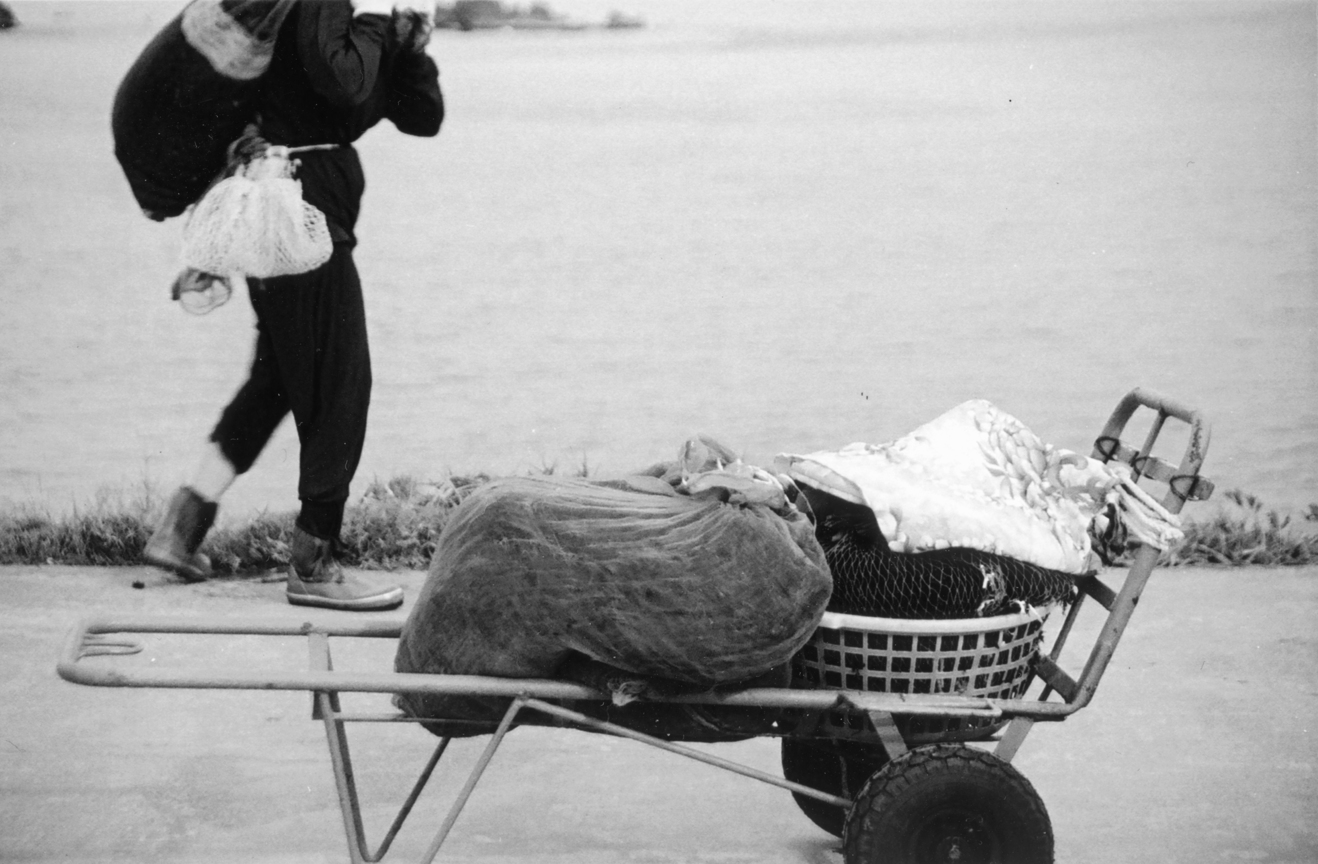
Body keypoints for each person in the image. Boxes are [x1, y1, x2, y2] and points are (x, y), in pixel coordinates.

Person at [144, 0, 444, 611]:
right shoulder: (321, 11)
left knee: (277, 378)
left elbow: (423, 116)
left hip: (301, 216)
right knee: (340, 380)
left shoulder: (361, 31)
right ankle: (314, 563)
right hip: (294, 214)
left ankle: (181, 527)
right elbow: (343, 83)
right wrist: (377, 18)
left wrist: (410, 43)